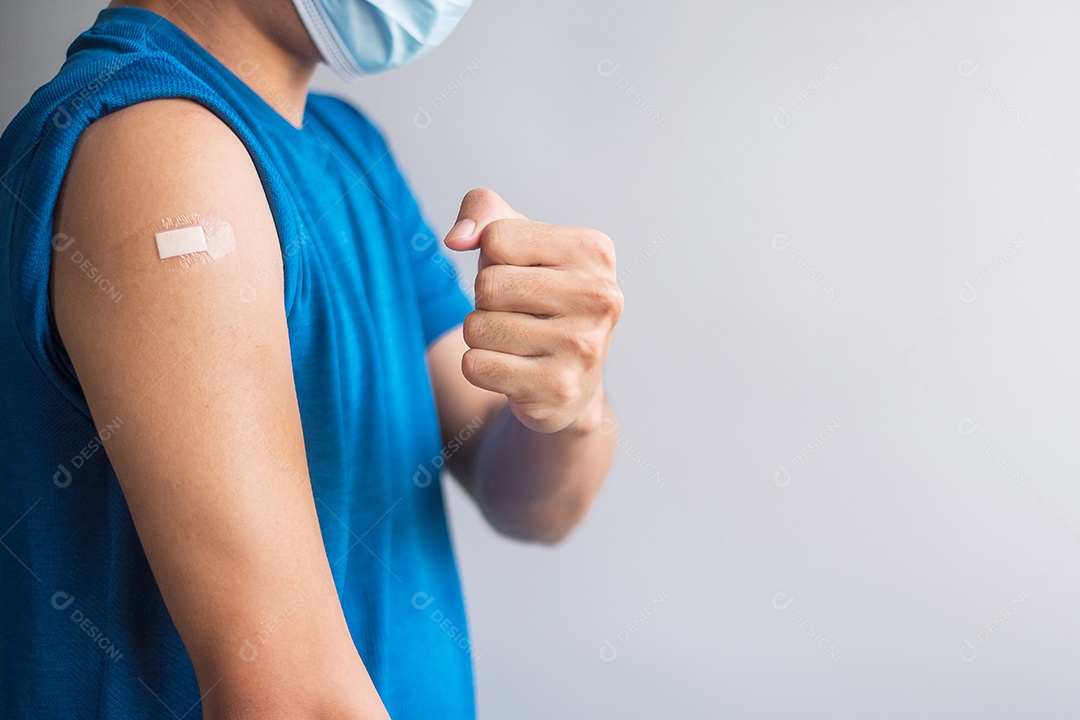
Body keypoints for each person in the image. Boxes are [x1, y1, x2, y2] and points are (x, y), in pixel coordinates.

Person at [0, 0, 623, 717]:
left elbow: (534, 503)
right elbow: (291, 701)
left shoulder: (349, 151)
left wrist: (570, 401)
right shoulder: (161, 151)